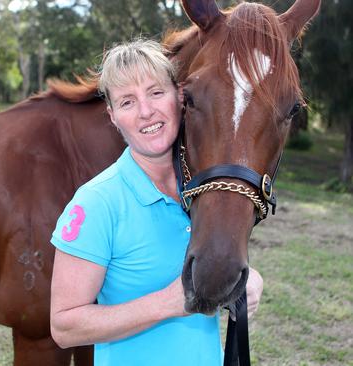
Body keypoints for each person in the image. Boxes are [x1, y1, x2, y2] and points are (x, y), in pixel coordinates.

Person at [49, 39, 264, 365]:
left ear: (180, 96)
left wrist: (242, 279)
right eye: (127, 102)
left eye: (155, 92)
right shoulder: (97, 203)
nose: (145, 111)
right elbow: (64, 326)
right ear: (113, 116)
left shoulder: (202, 190)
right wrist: (168, 302)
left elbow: (212, 260)